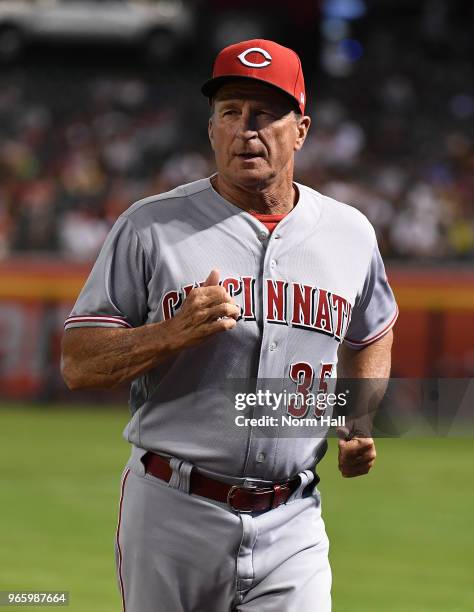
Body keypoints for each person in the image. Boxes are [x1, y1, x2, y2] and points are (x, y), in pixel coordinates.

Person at [61, 39, 398, 612]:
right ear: (211, 129)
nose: (247, 129)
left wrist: (357, 416)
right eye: (231, 112)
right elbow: (78, 362)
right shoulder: (150, 227)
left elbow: (374, 330)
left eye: (265, 114)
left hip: (293, 519)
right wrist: (168, 333)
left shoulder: (349, 233)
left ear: (302, 130)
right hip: (173, 508)